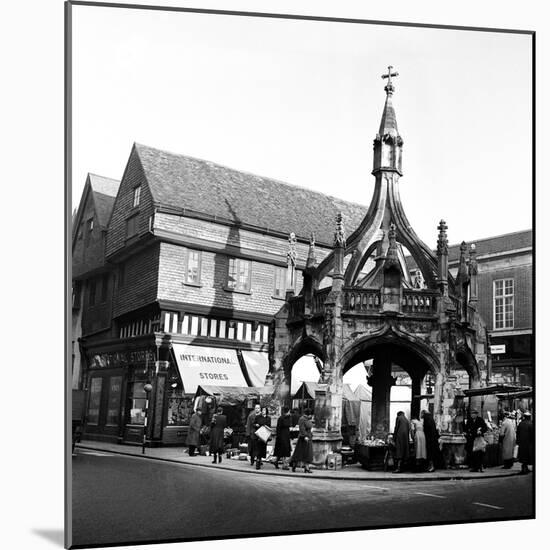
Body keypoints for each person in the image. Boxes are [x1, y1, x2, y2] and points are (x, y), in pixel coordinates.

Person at [291, 409, 314, 473]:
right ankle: (294, 465)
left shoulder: (307, 419)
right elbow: (302, 429)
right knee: (299, 454)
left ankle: (306, 468)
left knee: (308, 454)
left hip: (308, 437)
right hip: (303, 438)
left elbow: (309, 426)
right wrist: (305, 436)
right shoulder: (302, 419)